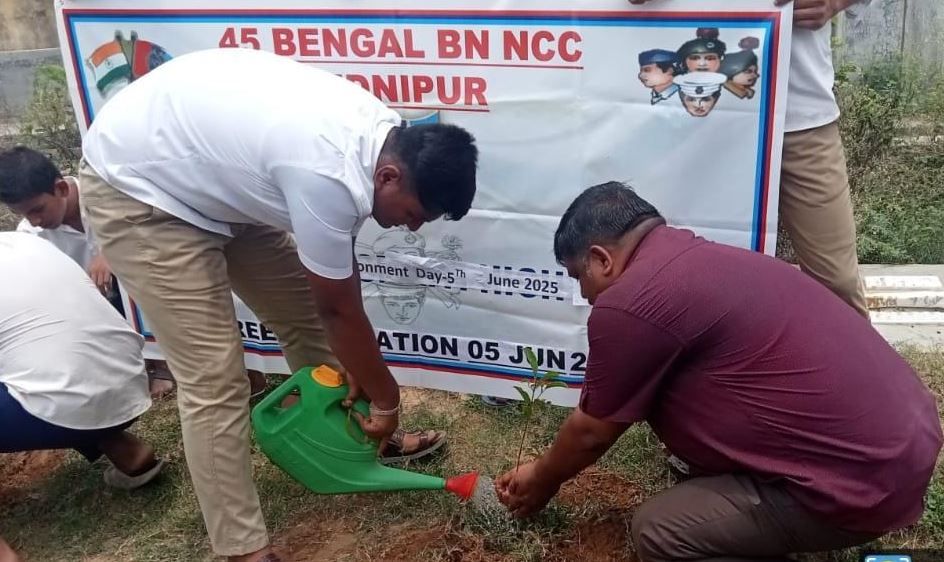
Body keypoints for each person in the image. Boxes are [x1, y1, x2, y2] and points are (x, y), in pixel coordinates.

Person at [79, 47, 477, 562]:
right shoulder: (329, 171)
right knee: (214, 379)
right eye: (417, 213)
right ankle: (241, 547)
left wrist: (378, 395)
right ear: (389, 178)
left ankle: (359, 441)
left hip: (216, 183)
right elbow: (340, 307)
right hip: (140, 192)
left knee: (308, 322)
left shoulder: (381, 142)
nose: (415, 226)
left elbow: (332, 300)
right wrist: (388, 397)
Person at [495, 183, 942, 561]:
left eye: (579, 277)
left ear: (601, 258)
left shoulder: (631, 301)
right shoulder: (697, 258)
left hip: (861, 488)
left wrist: (542, 478)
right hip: (906, 445)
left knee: (658, 530)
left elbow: (592, 432)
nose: (585, 293)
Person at [632, 0, 872, 317]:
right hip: (680, 124)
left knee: (836, 283)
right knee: (657, 267)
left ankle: (852, 366)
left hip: (800, 121)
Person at [0, 232, 164, 490]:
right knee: (41, 354)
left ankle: (90, 428)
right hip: (130, 375)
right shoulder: (24, 240)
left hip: (69, 397)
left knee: (39, 365)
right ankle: (123, 449)